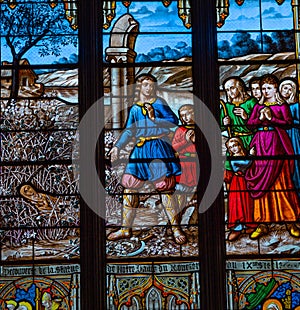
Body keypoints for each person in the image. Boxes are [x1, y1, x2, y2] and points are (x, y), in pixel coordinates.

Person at [107, 73, 186, 244]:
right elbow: (129, 130)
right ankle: (125, 229)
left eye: (151, 85)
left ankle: (176, 228)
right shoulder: (135, 109)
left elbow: (173, 122)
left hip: (159, 148)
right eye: (145, 85)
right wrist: (117, 146)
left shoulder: (160, 103)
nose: (149, 88)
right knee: (129, 187)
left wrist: (154, 118)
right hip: (141, 149)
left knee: (165, 189)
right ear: (139, 87)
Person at [245, 74, 300, 239]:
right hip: (261, 143)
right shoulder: (258, 106)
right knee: (263, 184)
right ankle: (262, 223)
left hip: (277, 144)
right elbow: (249, 124)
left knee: (281, 182)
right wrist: (260, 118)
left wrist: (272, 118)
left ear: (275, 89)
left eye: (268, 88)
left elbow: (288, 123)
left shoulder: (282, 105)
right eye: (263, 88)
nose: (265, 91)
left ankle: (290, 220)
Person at [220, 76, 256, 186]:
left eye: (232, 88)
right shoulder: (227, 106)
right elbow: (220, 127)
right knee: (230, 168)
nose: (229, 92)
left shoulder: (251, 102)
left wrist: (246, 117)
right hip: (235, 141)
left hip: (251, 139)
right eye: (227, 90)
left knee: (254, 166)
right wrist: (224, 123)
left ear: (240, 88)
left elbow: (259, 123)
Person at [225, 137, 256, 241]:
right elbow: (246, 163)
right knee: (237, 204)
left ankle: (247, 225)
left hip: (245, 181)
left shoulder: (243, 154)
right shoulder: (233, 158)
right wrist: (251, 155)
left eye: (234, 145)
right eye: (230, 147)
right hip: (237, 182)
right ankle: (237, 228)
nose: (233, 148)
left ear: (239, 145)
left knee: (246, 202)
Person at [172, 104, 198, 224]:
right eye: (182, 116)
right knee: (180, 195)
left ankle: (194, 220)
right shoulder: (180, 130)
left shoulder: (202, 128)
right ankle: (175, 221)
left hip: (198, 165)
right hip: (184, 166)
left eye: (187, 114)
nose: (185, 117)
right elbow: (173, 147)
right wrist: (185, 141)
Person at [279, 77, 300, 198]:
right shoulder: (278, 105)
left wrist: (289, 122)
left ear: (293, 91)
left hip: (293, 137)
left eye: (289, 88)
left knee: (295, 166)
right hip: (281, 136)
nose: (286, 91)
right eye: (284, 88)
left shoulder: (296, 106)